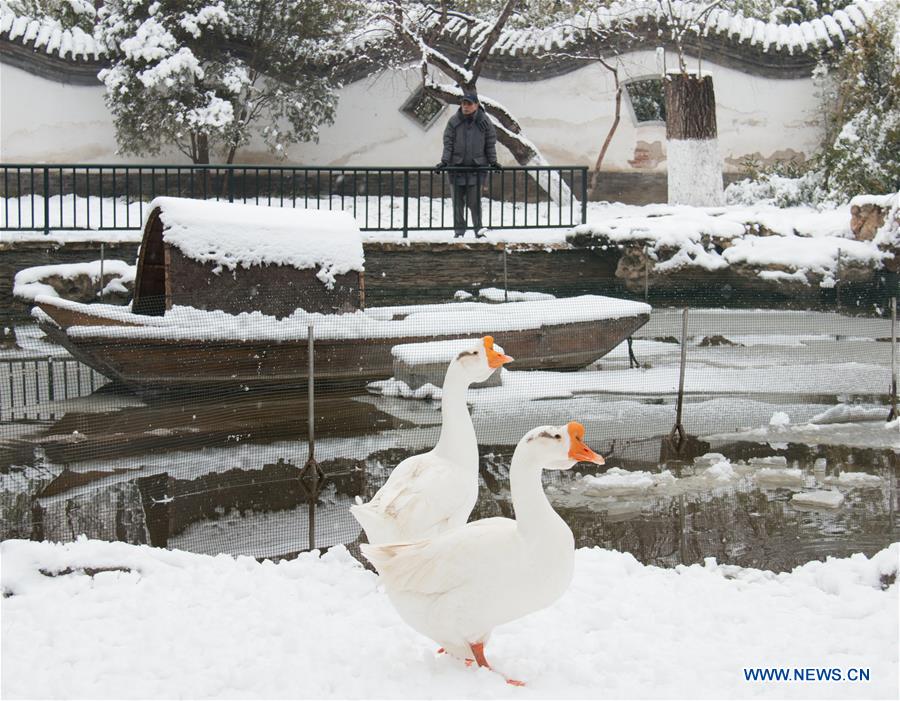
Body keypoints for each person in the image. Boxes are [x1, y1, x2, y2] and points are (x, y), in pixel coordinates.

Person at [436, 93, 499, 239]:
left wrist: (493, 161)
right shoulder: (454, 121)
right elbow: (448, 143)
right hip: (456, 169)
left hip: (476, 169)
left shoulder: (484, 122)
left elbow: (490, 143)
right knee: (457, 204)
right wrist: (445, 161)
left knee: (474, 202)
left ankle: (478, 229)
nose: (465, 106)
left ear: (476, 105)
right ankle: (459, 232)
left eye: (469, 104)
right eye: (463, 103)